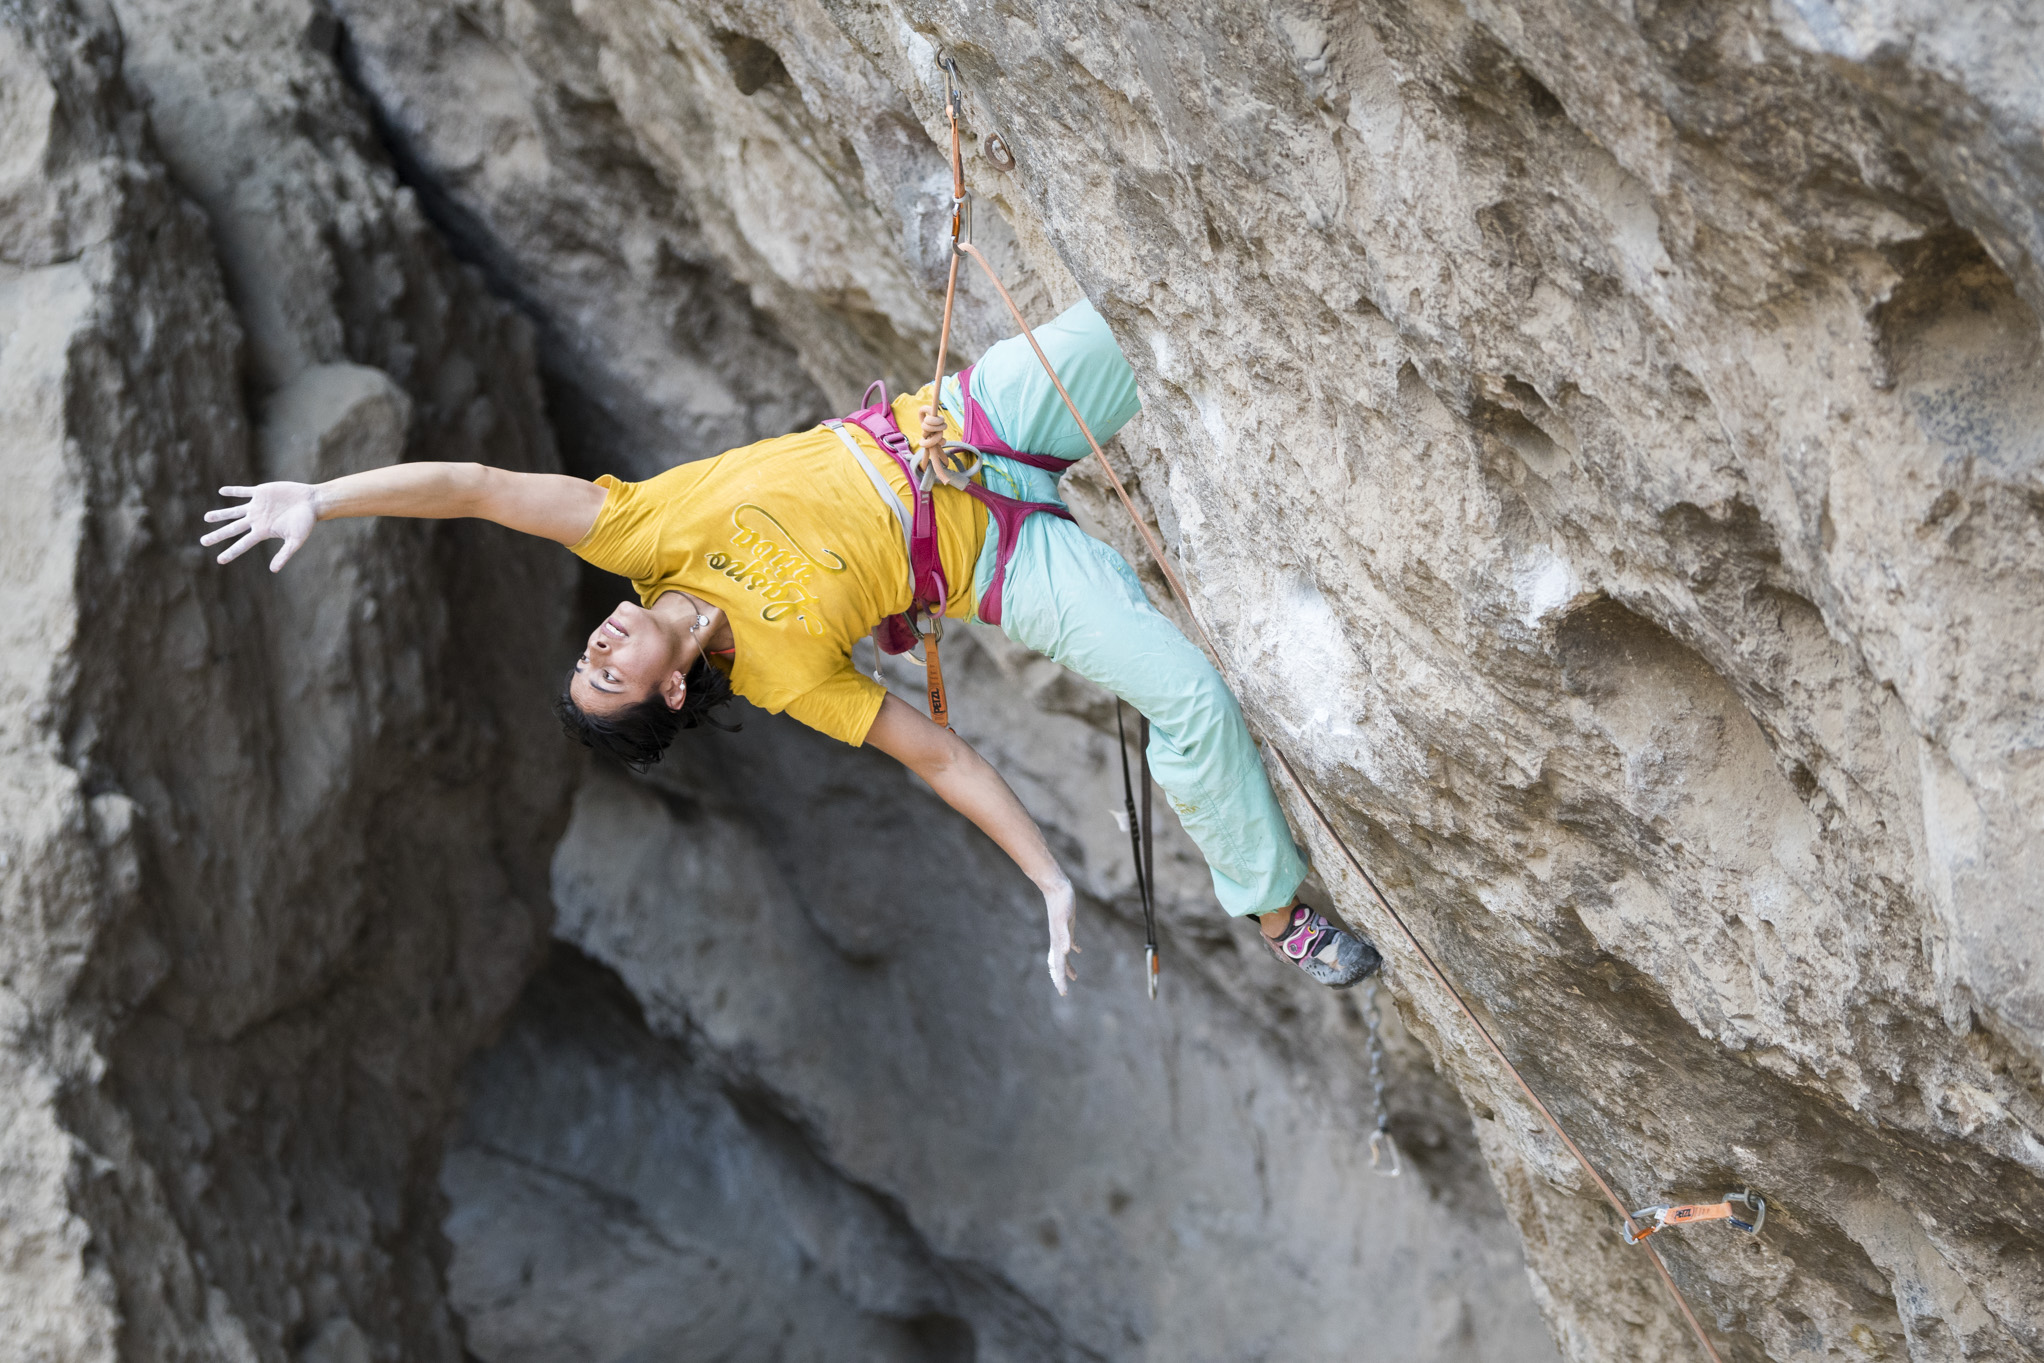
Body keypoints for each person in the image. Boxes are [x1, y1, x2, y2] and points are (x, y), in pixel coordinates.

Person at [202, 301, 1380, 994]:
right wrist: (1051, 879)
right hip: (997, 563)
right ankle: (1277, 914)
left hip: (957, 431)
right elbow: (941, 761)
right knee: (1188, 698)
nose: (602, 636)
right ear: (667, 687)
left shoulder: (641, 530)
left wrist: (324, 493)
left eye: (588, 649)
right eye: (609, 670)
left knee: (1152, 306)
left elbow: (475, 486)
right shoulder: (778, 679)